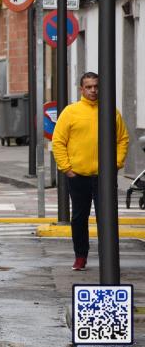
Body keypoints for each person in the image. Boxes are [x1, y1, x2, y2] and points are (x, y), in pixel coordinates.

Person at [52, 72, 129, 271]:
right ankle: (80, 256)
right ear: (81, 89)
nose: (93, 90)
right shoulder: (70, 112)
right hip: (78, 176)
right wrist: (67, 169)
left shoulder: (111, 111)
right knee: (79, 218)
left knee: (107, 218)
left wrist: (116, 164)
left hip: (104, 176)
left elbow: (123, 139)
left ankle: (108, 258)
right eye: (89, 87)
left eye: (96, 86)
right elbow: (58, 141)